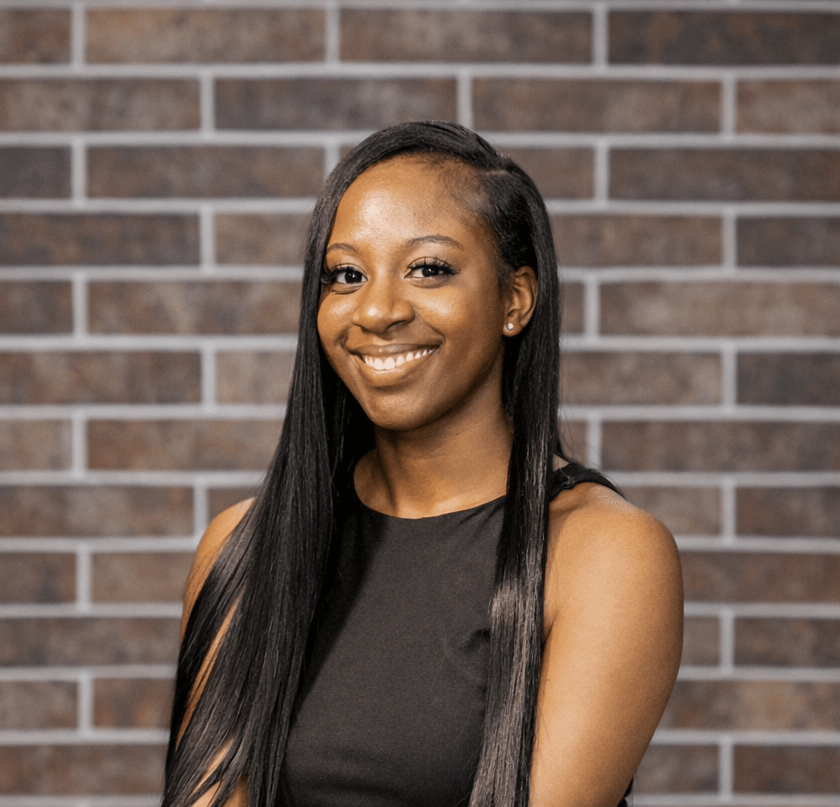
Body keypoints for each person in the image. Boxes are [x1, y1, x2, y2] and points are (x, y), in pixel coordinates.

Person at [160, 121, 683, 807]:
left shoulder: (606, 552)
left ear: (515, 299)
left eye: (429, 268)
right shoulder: (246, 548)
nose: (377, 310)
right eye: (347, 275)